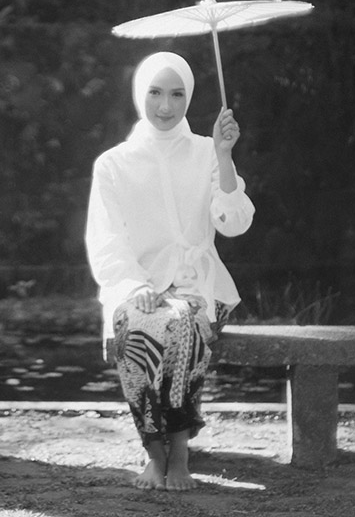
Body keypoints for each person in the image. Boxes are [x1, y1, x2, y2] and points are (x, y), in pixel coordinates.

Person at [85, 50, 255, 491]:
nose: (165, 106)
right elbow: (106, 240)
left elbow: (234, 224)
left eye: (177, 94)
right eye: (155, 93)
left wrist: (224, 156)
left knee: (182, 324)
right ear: (139, 94)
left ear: (189, 97)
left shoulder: (206, 152)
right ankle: (153, 452)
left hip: (202, 288)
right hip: (137, 289)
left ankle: (178, 452)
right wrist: (134, 285)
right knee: (136, 329)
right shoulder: (114, 163)